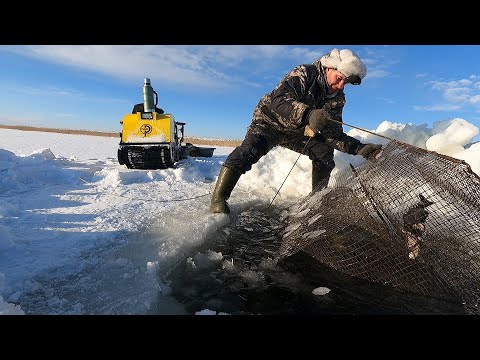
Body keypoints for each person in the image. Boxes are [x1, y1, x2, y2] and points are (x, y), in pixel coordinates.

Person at [210, 48, 383, 214]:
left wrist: (360, 149)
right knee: (249, 150)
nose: (340, 86)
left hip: (298, 133)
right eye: (339, 79)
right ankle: (219, 199)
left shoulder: (337, 99)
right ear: (329, 67)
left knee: (324, 152)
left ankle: (317, 201)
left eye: (345, 83)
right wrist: (308, 114)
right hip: (269, 122)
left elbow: (333, 134)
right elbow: (278, 101)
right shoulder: (305, 73)